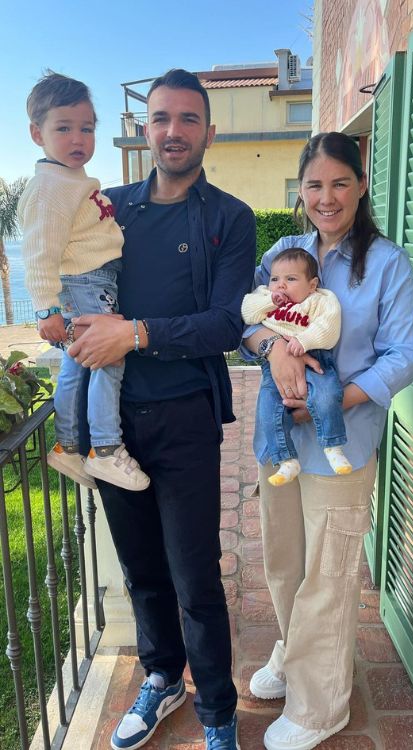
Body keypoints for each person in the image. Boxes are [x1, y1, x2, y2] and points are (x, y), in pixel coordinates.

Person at [67, 69, 256, 750]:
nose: (172, 132)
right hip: (110, 426)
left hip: (185, 420)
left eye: (187, 119)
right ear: (145, 129)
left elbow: (226, 326)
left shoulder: (229, 218)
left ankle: (218, 715)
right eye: (160, 119)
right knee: (141, 567)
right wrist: (65, 320)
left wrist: (135, 332)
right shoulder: (106, 207)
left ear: (209, 129)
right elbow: (66, 275)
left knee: (195, 575)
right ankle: (161, 677)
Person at [242, 132, 413, 750]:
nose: (326, 197)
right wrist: (273, 352)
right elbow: (246, 326)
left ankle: (321, 707)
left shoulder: (386, 264)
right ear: (300, 191)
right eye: (314, 185)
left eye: (340, 182)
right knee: (284, 560)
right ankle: (294, 652)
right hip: (278, 440)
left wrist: (334, 398)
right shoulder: (285, 252)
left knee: (329, 571)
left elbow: (407, 354)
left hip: (342, 443)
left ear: (361, 185)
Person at [18, 71, 149, 492]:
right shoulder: (51, 187)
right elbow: (40, 253)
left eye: (87, 128)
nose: (78, 139)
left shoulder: (68, 181)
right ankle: (106, 450)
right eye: (64, 128)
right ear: (37, 133)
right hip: (84, 284)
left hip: (89, 282)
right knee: (110, 358)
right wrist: (46, 310)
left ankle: (69, 446)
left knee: (78, 364)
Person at [241, 247, 352, 485]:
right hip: (274, 368)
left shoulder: (320, 300)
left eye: (291, 279)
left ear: (311, 285)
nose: (280, 285)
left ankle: (333, 446)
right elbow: (247, 314)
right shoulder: (265, 296)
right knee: (268, 411)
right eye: (275, 279)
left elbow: (329, 326)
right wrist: (269, 300)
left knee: (327, 396)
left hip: (316, 357)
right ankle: (286, 459)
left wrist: (304, 341)